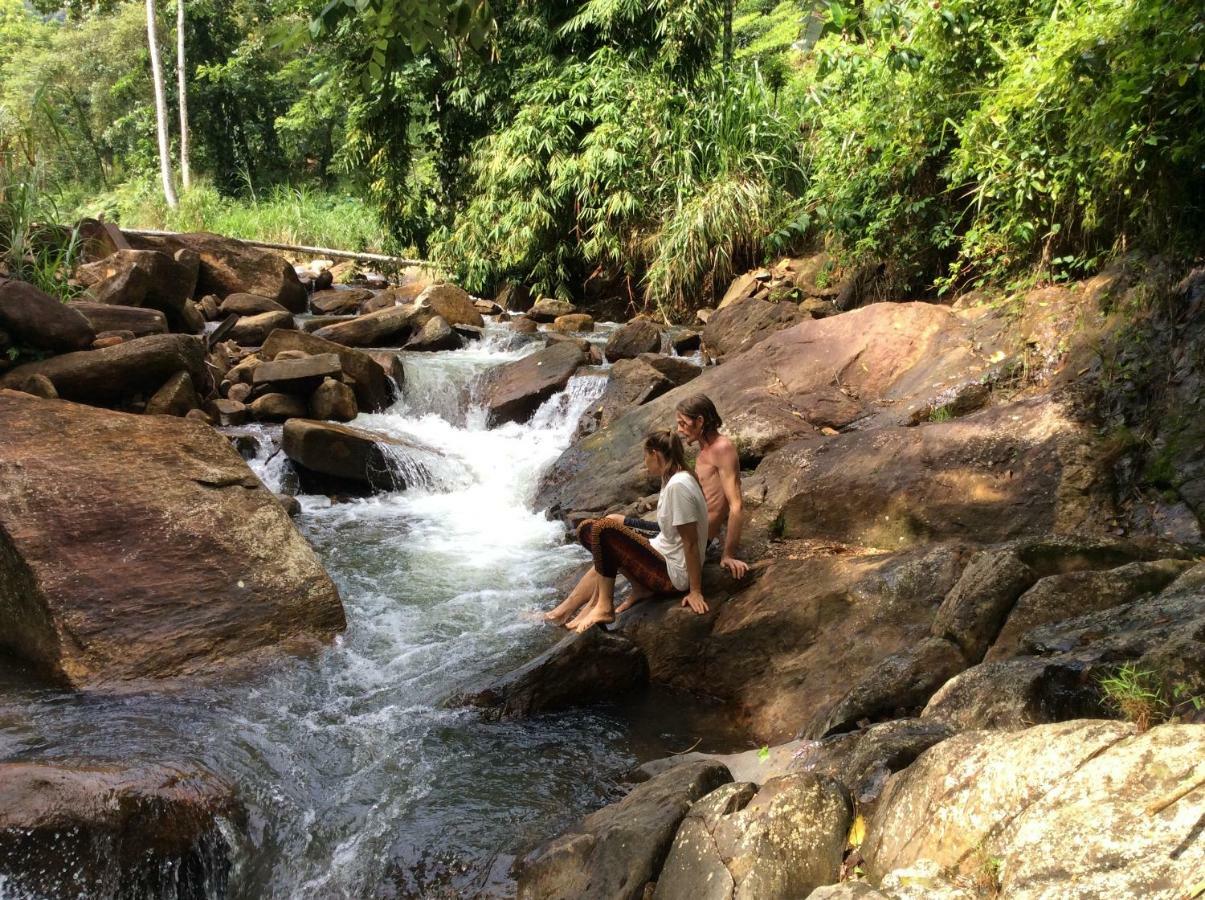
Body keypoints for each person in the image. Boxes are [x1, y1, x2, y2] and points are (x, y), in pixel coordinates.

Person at [545, 430, 710, 632]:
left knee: (604, 530)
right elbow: (669, 529)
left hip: (674, 575)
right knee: (588, 530)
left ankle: (604, 606)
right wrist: (628, 521)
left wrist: (695, 591)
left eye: (645, 457)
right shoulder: (672, 478)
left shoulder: (679, 486)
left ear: (655, 454)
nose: (644, 462)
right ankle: (564, 610)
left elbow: (690, 541)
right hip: (663, 553)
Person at [673, 395, 749, 580]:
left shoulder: (722, 448)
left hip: (692, 540)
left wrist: (728, 554)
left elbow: (736, 506)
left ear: (700, 421)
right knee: (613, 523)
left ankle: (600, 606)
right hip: (682, 533)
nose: (679, 430)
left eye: (683, 423)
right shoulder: (705, 450)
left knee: (608, 530)